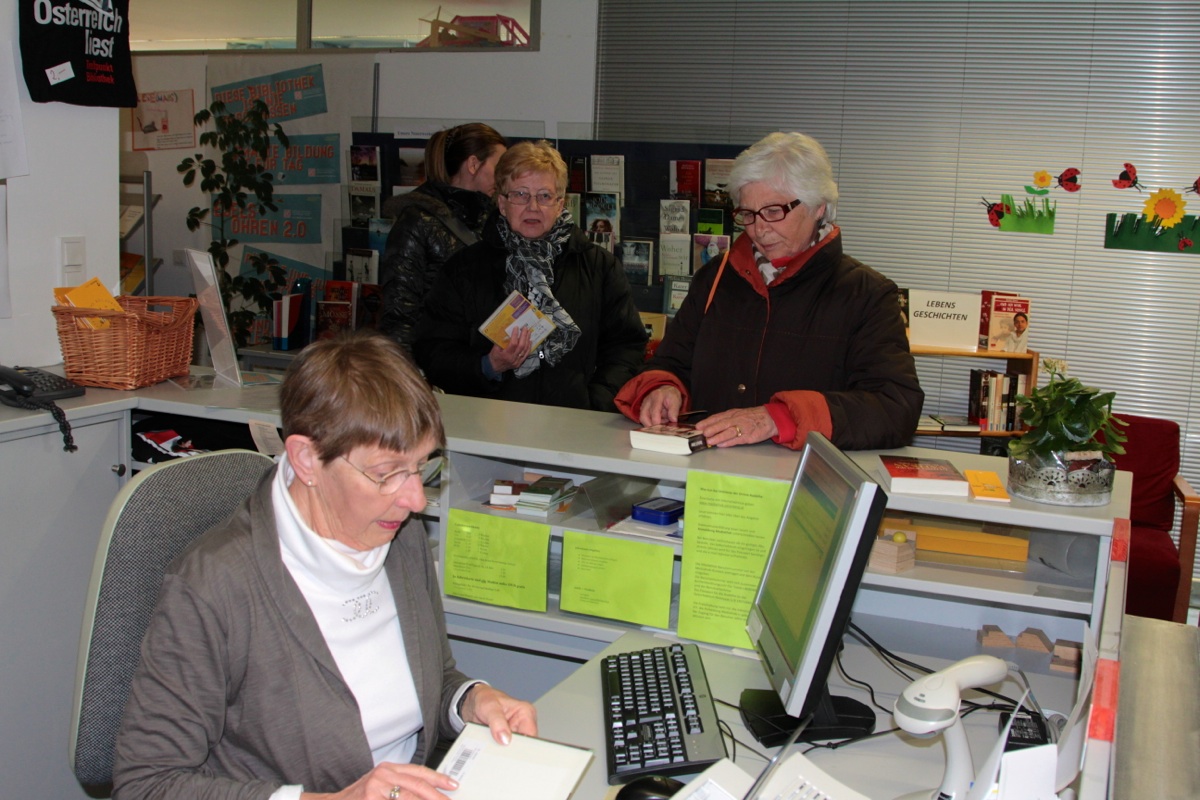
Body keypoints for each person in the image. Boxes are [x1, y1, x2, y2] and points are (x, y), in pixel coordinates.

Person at [113, 333, 537, 800]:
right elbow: (146, 785)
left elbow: (429, 680)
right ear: (306, 459)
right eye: (387, 474)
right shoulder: (215, 584)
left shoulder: (399, 536)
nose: (415, 499)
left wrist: (470, 700)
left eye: (421, 467)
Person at [615, 132, 923, 451]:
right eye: (747, 214)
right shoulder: (715, 277)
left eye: (774, 211)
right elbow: (670, 361)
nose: (759, 229)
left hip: (801, 476)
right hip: (708, 469)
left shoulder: (868, 295)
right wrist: (663, 387)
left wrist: (780, 418)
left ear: (818, 206)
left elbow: (895, 407)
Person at [414, 140, 647, 412]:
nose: (533, 206)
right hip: (488, 425)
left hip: (574, 425)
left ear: (560, 204)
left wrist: (593, 402)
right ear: (502, 203)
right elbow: (433, 351)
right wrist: (488, 365)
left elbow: (627, 347)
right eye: (520, 194)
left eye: (545, 196)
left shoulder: (599, 267)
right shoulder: (464, 269)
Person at [379, 123, 508, 352]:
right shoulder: (416, 221)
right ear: (473, 164)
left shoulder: (492, 219)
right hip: (432, 359)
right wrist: (408, 370)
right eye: (498, 167)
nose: (501, 179)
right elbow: (399, 313)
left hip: (478, 362)